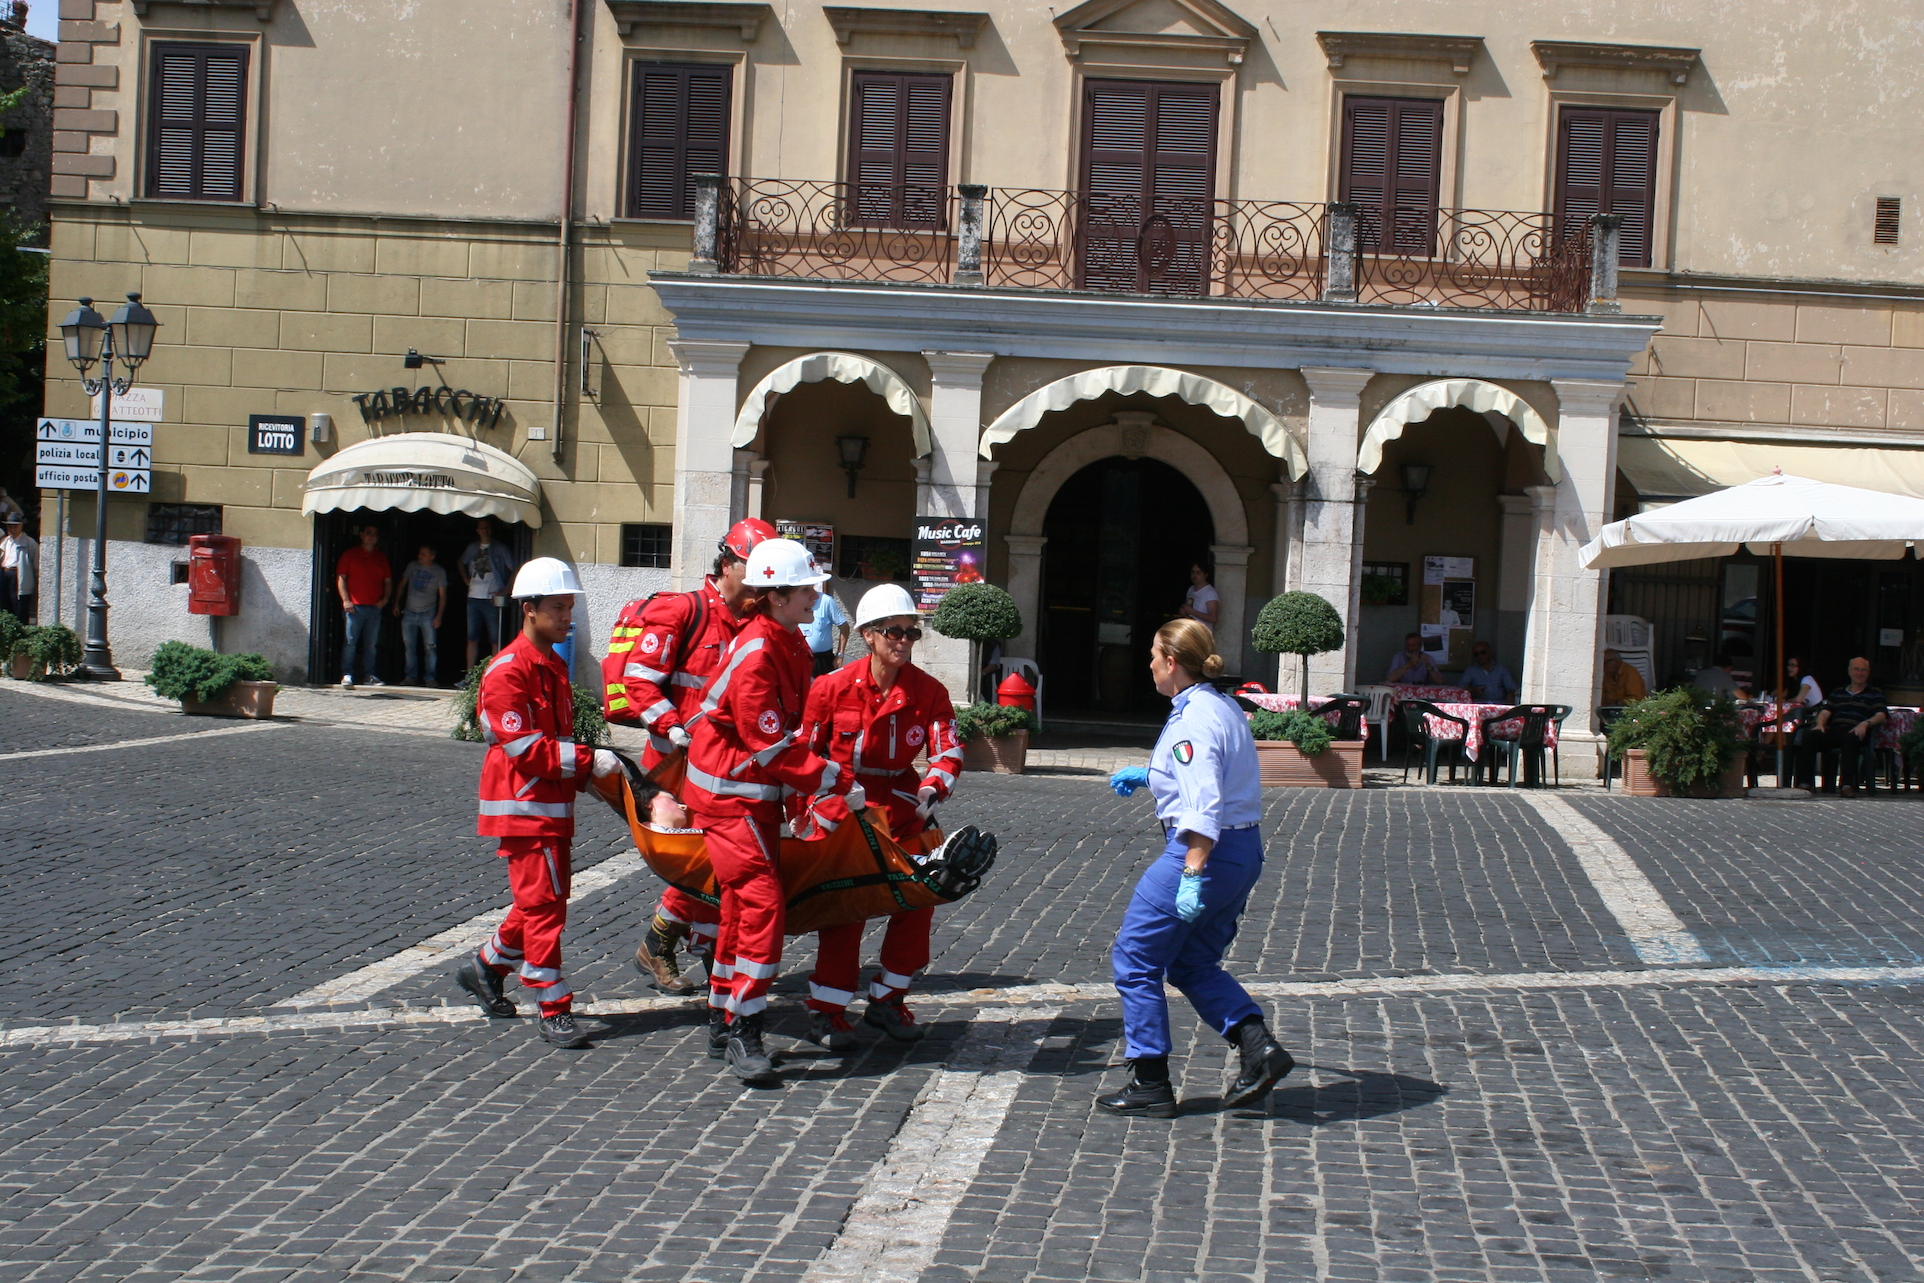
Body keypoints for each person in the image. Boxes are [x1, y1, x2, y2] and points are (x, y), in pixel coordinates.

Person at [684, 537, 862, 1084]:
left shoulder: (787, 641)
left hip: (750, 795)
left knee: (741, 907)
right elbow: (770, 745)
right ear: (778, 594)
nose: (816, 596)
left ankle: (722, 1013)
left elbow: (790, 732)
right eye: (807, 588)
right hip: (729, 797)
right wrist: (833, 780)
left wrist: (815, 782)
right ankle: (745, 1026)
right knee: (764, 906)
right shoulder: (760, 651)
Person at [1101, 619, 1294, 1118]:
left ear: (1171, 661)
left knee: (1135, 957)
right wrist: (1150, 775)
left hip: (1203, 850)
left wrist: (1190, 873)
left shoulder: (1191, 720)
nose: (1148, 665)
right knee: (1190, 963)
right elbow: (1216, 773)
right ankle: (1258, 1048)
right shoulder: (1221, 706)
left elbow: (1204, 804)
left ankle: (1150, 1080)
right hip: (1243, 852)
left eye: (1151, 656)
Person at [453, 557, 624, 1049]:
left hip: (547, 805)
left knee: (541, 900)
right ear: (529, 610)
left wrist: (588, 769)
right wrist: (592, 762)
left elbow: (556, 741)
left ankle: (486, 968)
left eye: (570, 607)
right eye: (559, 607)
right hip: (524, 806)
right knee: (545, 906)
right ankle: (552, 1003)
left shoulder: (551, 664)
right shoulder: (509, 671)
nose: (568, 617)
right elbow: (526, 749)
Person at [607, 517, 776, 994]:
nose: (764, 580)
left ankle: (697, 949)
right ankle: (666, 944)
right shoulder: (684, 612)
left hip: (727, 769)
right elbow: (638, 679)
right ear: (727, 564)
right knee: (704, 863)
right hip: (678, 768)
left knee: (720, 864)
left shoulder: (756, 621)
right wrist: (672, 727)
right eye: (754, 567)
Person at [798, 582, 965, 1051]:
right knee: (846, 911)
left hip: (905, 810)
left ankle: (888, 1000)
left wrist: (935, 787)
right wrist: (803, 813)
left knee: (918, 902)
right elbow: (801, 756)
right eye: (895, 631)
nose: (904, 641)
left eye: (912, 633)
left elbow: (948, 749)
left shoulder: (929, 691)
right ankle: (827, 1012)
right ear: (869, 635)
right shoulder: (828, 689)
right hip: (844, 813)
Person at [1807, 656, 1887, 797]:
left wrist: (1865, 723)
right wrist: (1820, 724)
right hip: (1836, 728)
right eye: (1856, 669)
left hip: (1858, 730)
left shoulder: (1874, 693)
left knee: (1850, 739)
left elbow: (1881, 715)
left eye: (1863, 670)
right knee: (1811, 736)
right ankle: (1804, 784)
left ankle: (1846, 785)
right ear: (1849, 671)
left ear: (1868, 673)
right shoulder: (1838, 692)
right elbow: (1825, 713)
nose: (1860, 673)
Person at [335, 525, 392, 688]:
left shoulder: (381, 557)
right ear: (361, 535)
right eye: (368, 533)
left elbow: (388, 580)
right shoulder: (349, 555)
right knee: (350, 642)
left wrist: (385, 599)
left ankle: (369, 675)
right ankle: (347, 674)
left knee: (371, 644)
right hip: (354, 607)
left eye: (374, 534)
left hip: (374, 607)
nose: (371, 537)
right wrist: (346, 600)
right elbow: (341, 578)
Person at [460, 517, 518, 670]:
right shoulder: (473, 547)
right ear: (477, 531)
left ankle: (494, 672)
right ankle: (470, 675)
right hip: (473, 598)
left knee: (494, 638)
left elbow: (514, 568)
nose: (484, 530)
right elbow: (461, 562)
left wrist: (506, 590)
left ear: (491, 530)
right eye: (482, 527)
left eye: (487, 527)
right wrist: (465, 578)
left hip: (492, 599)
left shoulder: (501, 548)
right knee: (472, 638)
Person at [392, 545, 447, 686]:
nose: (419, 556)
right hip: (409, 612)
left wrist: (439, 616)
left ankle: (430, 677)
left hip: (428, 614)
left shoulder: (439, 571)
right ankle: (410, 676)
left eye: (423, 554)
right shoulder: (412, 566)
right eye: (420, 553)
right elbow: (402, 584)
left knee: (430, 647)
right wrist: (396, 603)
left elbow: (443, 595)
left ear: (432, 556)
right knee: (409, 647)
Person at [802, 587, 850, 677]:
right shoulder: (795, 602)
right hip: (800, 659)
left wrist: (840, 654)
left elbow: (844, 627)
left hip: (822, 660)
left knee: (823, 690)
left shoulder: (826, 601)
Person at [1, 514, 36, 624]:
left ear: (21, 526)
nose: (12, 529)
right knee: (5, 606)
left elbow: (36, 564)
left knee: (19, 608)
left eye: (15, 526)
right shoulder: (4, 541)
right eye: (10, 526)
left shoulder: (29, 543)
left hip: (18, 576)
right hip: (4, 574)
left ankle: (21, 634)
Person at [1181, 562, 1219, 629]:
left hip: (1201, 635)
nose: (1194, 575)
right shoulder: (1191, 589)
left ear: (1205, 575)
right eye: (1193, 572)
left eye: (1198, 573)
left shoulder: (1210, 593)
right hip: (1190, 632)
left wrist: (1192, 612)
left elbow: (1213, 618)